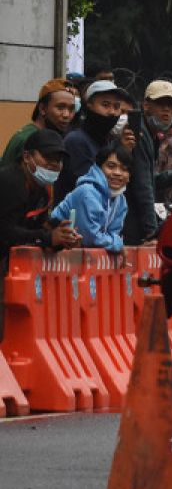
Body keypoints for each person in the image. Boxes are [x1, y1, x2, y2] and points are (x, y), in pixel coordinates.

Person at [0, 130, 81, 340]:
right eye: (48, 158)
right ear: (27, 157)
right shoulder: (9, 181)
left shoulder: (44, 191)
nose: (54, 164)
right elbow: (6, 231)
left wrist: (61, 237)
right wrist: (47, 237)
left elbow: (35, 229)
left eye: (59, 160)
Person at [126, 80, 172, 244]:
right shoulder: (140, 134)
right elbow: (143, 187)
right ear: (146, 106)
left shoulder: (152, 135)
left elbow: (149, 181)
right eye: (160, 103)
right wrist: (151, 233)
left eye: (171, 105)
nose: (166, 109)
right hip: (129, 220)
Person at [56, 79, 132, 199]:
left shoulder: (107, 141)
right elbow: (92, 189)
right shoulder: (77, 141)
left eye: (116, 107)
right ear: (89, 105)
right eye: (105, 105)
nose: (112, 112)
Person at [51, 143, 130, 254]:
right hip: (56, 253)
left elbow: (113, 234)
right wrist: (117, 244)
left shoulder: (121, 200)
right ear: (98, 168)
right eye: (111, 166)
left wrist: (115, 243)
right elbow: (89, 237)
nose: (117, 173)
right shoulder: (87, 192)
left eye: (124, 169)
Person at [1, 78, 77, 168]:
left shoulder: (53, 135)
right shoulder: (28, 139)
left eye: (71, 109)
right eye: (60, 108)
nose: (66, 115)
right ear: (42, 109)